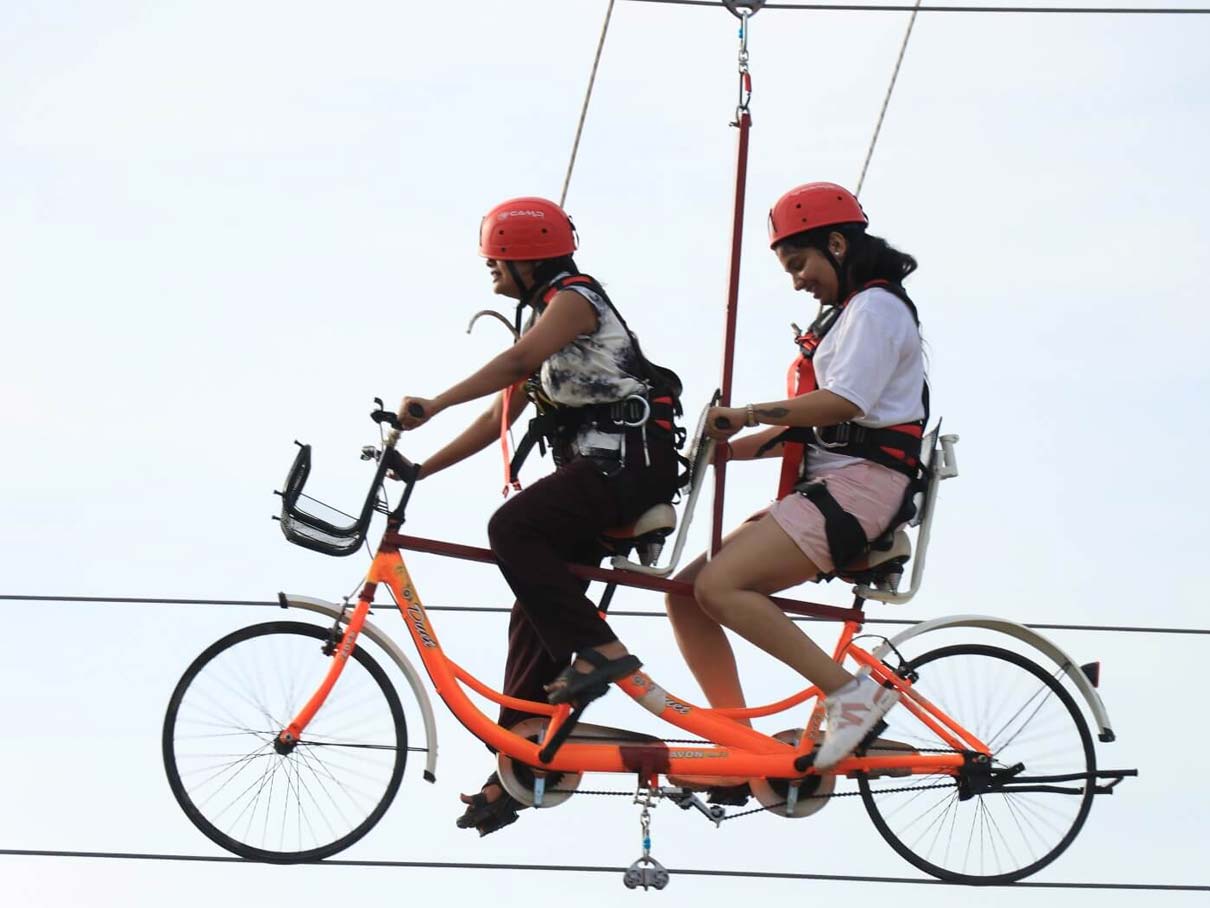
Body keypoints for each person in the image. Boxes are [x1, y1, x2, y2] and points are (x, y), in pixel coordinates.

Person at [396, 196, 683, 836]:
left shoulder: (576, 301)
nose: (491, 272)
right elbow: (503, 409)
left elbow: (517, 364)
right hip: (597, 473)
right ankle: (518, 756)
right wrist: (422, 468)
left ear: (527, 260)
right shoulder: (546, 321)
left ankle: (600, 654)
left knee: (511, 530)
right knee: (532, 609)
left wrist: (434, 402)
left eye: (497, 260)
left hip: (626, 467)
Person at [666, 182, 926, 781]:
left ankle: (853, 700)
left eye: (799, 264)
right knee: (686, 594)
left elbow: (839, 404)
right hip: (828, 484)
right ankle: (736, 741)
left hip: (859, 489)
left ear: (837, 244)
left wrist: (752, 413)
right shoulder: (846, 316)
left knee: (721, 587)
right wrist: (722, 450)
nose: (796, 281)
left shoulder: (876, 309)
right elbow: (808, 427)